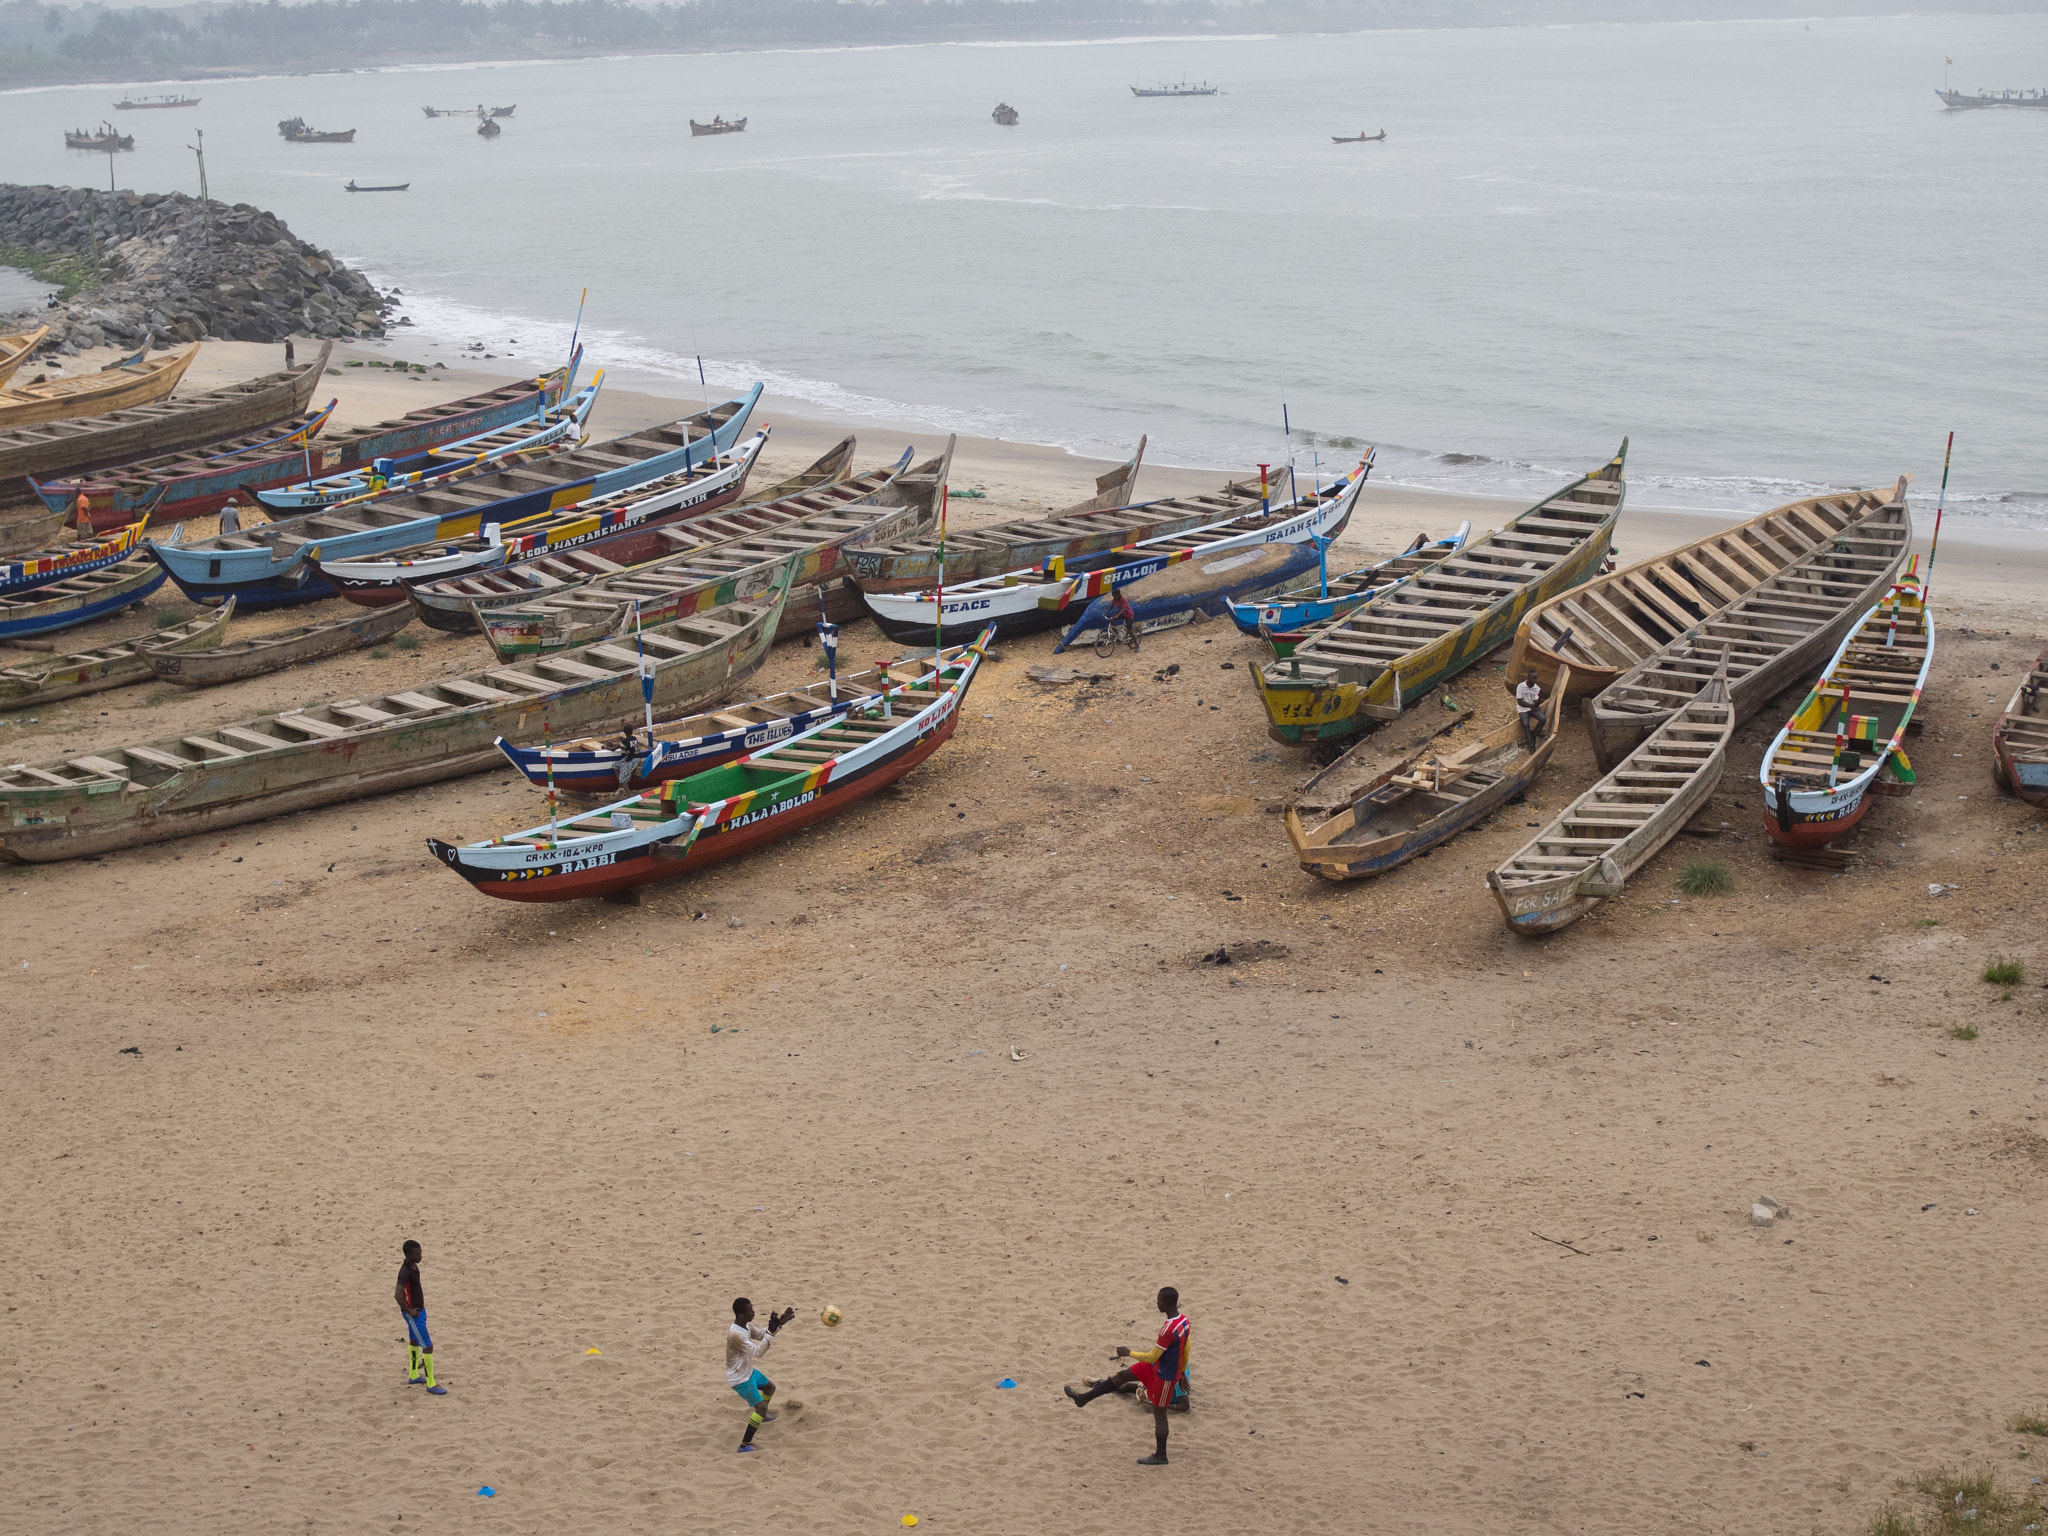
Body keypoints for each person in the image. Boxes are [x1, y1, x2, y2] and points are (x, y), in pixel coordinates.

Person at [1064, 1286, 1189, 1465]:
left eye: (1159, 1300)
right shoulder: (1183, 1321)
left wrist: (1128, 1352)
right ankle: (1083, 1398)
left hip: (1165, 1376)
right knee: (1122, 1375)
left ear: (1167, 1304)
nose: (1157, 1303)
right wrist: (1183, 1371)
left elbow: (1153, 1355)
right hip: (1156, 1367)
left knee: (1159, 1412)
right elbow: (1187, 1349)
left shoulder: (1168, 1330)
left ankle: (1161, 1455)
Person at [727, 1298, 795, 1453]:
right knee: (761, 1407)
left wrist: (780, 1323)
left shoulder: (746, 1325)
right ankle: (744, 1445)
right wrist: (771, 1333)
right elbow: (758, 1352)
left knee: (770, 1388)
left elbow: (760, 1335)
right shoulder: (736, 1335)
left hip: (747, 1372)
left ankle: (761, 1417)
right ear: (741, 1314)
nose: (754, 1312)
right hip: (739, 1379)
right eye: (750, 1310)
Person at [395, 1240, 445, 1394]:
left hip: (419, 1312)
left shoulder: (413, 1267)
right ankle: (431, 1383)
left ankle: (414, 1374)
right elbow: (397, 1295)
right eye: (417, 1254)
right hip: (414, 1315)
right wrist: (409, 1311)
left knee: (414, 1341)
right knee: (428, 1346)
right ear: (408, 1255)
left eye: (421, 1253)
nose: (420, 1256)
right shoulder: (405, 1271)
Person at [1515, 669, 1545, 747]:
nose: (1534, 680)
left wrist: (1539, 698)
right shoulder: (1521, 686)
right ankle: (1531, 744)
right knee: (1525, 724)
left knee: (1543, 719)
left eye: (1535, 679)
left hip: (1533, 708)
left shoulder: (1537, 689)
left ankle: (1535, 733)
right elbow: (1519, 702)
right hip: (1523, 709)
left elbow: (1536, 703)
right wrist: (1531, 706)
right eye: (1532, 678)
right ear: (1528, 677)